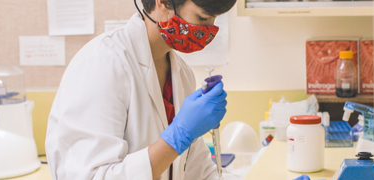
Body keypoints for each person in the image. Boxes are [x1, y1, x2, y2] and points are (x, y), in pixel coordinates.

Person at [45, 0, 237, 179]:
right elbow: (93, 175)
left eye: (214, 19)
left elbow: (197, 171)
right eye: (202, 18)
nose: (209, 29)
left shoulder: (182, 74)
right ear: (162, 3)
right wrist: (178, 136)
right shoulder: (103, 63)